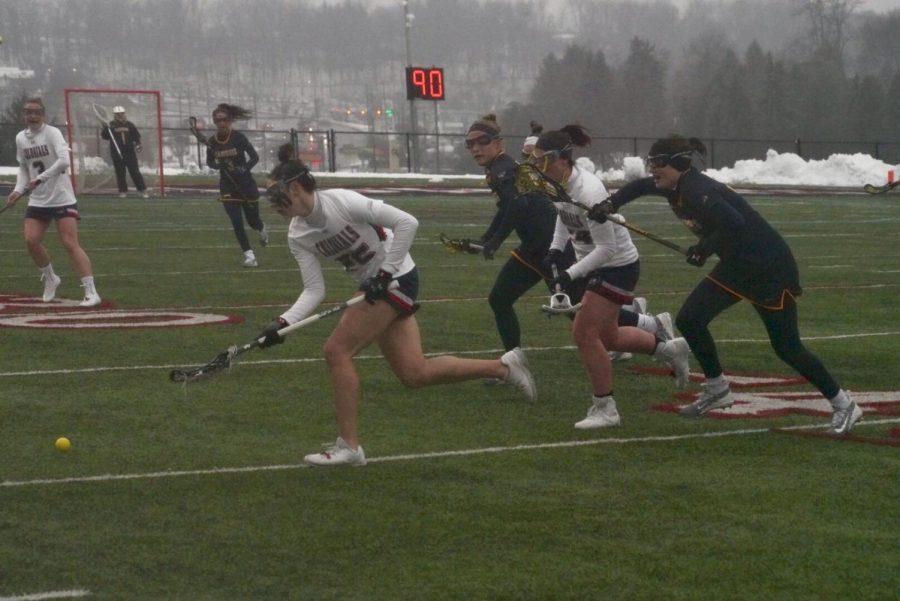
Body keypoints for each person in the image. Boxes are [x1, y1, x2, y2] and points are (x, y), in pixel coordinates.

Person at [256, 145, 537, 467]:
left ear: (295, 187)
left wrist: (385, 271)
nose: (273, 203)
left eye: (276, 194)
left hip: (397, 279)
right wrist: (283, 322)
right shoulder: (298, 234)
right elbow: (313, 290)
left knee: (336, 351)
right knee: (414, 373)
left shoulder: (342, 202)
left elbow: (407, 222)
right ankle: (504, 368)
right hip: (374, 287)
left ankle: (348, 446)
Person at [589, 135, 862, 434]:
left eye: (660, 163)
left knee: (787, 347)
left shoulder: (696, 189)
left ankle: (844, 404)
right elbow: (640, 186)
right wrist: (609, 204)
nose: (654, 169)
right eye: (651, 163)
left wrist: (703, 249)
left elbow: (734, 222)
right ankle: (717, 388)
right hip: (738, 266)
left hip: (767, 267)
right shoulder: (675, 185)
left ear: (679, 163)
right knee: (691, 320)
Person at [464, 115, 667, 364]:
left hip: (552, 247)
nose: (475, 149)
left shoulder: (507, 170)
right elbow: (539, 209)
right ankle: (513, 361)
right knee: (504, 299)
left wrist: (493, 241)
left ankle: (649, 324)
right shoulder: (534, 176)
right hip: (538, 247)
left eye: (481, 142)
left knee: (583, 314)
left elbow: (518, 205)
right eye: (470, 144)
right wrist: (489, 239)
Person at [531, 125, 691, 429]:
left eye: (542, 159)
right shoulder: (559, 182)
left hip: (616, 266)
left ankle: (606, 409)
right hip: (597, 264)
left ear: (563, 159)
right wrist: (555, 248)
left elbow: (607, 248)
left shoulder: (589, 190)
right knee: (609, 336)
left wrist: (569, 272)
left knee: (583, 333)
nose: (538, 166)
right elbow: (563, 215)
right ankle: (669, 348)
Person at [3, 97, 101, 307]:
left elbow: (64, 161)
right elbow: (23, 168)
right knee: (31, 240)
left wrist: (40, 178)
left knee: (69, 243)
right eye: (28, 112)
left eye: (37, 112)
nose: (32, 115)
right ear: (24, 115)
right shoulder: (21, 138)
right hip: (38, 200)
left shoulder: (53, 133)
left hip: (61, 197)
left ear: (43, 114)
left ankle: (91, 291)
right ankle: (50, 278)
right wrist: (18, 190)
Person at [206, 103, 268, 267]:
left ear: (230, 121)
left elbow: (254, 157)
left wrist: (243, 168)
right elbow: (210, 162)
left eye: (224, 120)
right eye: (218, 120)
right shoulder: (212, 142)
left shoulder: (239, 138)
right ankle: (249, 256)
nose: (221, 123)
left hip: (246, 184)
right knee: (236, 221)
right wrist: (220, 166)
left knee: (252, 221)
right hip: (227, 187)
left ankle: (261, 229)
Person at [100, 106, 148, 198]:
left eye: (122, 114)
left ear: (124, 114)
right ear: (115, 115)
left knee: (135, 171)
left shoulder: (130, 125)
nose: (120, 116)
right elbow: (105, 137)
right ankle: (122, 191)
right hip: (117, 153)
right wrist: (104, 128)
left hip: (129, 152)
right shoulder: (111, 125)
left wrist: (138, 144)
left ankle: (142, 190)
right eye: (118, 114)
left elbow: (136, 137)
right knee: (120, 172)